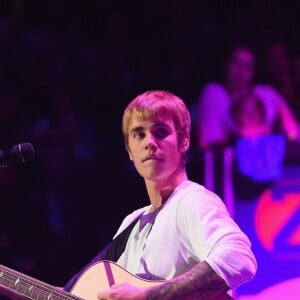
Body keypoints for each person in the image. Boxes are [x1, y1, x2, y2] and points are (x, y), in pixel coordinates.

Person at [62, 90, 257, 300]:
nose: (149, 142)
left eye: (161, 132)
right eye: (139, 134)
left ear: (183, 141)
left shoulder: (191, 201)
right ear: (129, 150)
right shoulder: (131, 222)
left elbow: (238, 259)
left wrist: (148, 295)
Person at [196, 45, 299, 150]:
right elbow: (211, 145)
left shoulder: (268, 94)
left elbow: (293, 132)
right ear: (226, 65)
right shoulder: (214, 94)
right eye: (236, 63)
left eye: (248, 66)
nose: (241, 71)